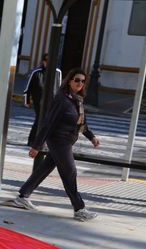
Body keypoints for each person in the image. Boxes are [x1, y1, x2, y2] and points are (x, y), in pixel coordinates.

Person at [12, 68, 101, 222]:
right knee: (70, 173)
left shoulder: (77, 99)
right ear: (69, 81)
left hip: (66, 140)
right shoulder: (61, 99)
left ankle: (22, 196)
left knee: (45, 168)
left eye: (83, 81)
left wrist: (91, 137)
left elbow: (81, 124)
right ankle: (79, 209)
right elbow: (48, 123)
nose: (80, 83)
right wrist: (37, 145)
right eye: (77, 80)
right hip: (59, 141)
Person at [24, 53, 62, 146]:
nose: (49, 63)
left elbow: (60, 88)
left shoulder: (58, 72)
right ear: (43, 61)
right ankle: (32, 140)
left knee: (50, 121)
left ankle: (45, 141)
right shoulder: (35, 72)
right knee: (39, 119)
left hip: (53, 101)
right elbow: (27, 88)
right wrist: (27, 101)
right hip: (39, 101)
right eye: (46, 61)